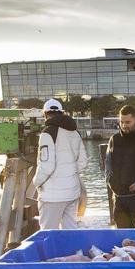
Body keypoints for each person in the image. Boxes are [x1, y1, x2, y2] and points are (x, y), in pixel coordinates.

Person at [31, 98, 88, 229]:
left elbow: (47, 166)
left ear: (45, 114)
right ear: (61, 112)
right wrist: (69, 174)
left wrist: (36, 182)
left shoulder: (47, 133)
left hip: (52, 195)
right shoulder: (75, 132)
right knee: (70, 232)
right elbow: (83, 162)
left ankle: (52, 251)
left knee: (48, 232)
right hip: (72, 192)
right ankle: (72, 250)